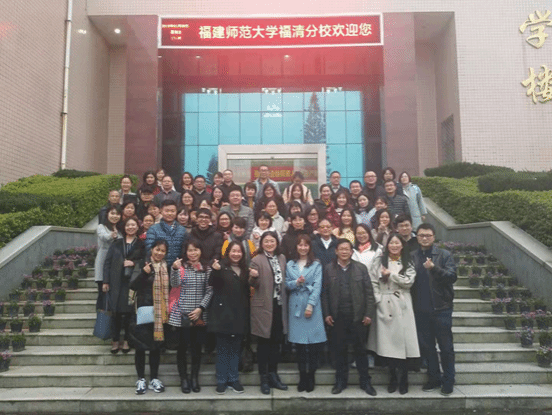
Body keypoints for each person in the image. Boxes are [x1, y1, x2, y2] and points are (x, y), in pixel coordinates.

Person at [322, 239, 377, 396]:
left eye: (347, 249)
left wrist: (368, 313)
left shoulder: (360, 268)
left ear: (352, 252)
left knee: (360, 351)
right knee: (340, 351)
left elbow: (369, 293)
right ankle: (340, 382)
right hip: (337, 317)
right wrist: (327, 313)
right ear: (336, 251)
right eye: (341, 249)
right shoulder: (328, 269)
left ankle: (365, 382)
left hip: (358, 317)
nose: (344, 251)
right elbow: (324, 294)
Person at [369, 234, 419, 395]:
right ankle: (392, 377)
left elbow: (408, 281)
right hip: (384, 303)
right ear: (387, 245)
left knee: (402, 343)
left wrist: (391, 275)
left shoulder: (407, 261)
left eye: (397, 243)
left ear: (402, 245)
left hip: (402, 303)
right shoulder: (379, 261)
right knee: (387, 343)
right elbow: (373, 281)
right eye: (391, 243)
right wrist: (378, 299)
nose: (394, 246)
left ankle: (403, 378)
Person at [411, 223, 457, 396]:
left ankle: (449, 380)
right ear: (417, 237)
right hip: (420, 309)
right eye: (421, 235)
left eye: (428, 235)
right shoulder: (413, 256)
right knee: (427, 347)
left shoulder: (444, 255)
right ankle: (434, 378)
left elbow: (452, 276)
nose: (424, 238)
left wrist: (434, 268)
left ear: (434, 237)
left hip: (441, 308)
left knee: (446, 347)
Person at [169, 240, 213, 394]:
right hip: (182, 314)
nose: (193, 253)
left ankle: (194, 378)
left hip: (199, 315)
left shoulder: (206, 268)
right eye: (190, 250)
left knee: (196, 348)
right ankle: (183, 379)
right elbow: (175, 284)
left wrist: (201, 308)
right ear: (185, 252)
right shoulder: (181, 267)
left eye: (195, 250)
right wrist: (174, 269)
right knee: (182, 349)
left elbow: (210, 291)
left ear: (201, 251)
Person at [285, 234, 326, 392]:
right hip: (296, 304)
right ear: (296, 247)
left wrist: (310, 305)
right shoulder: (290, 264)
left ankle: (311, 376)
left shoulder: (316, 264)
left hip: (311, 304)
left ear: (310, 247)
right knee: (300, 345)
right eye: (300, 245)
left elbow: (317, 286)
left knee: (314, 344)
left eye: (306, 245)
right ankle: (302, 376)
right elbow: (286, 284)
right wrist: (296, 282)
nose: (303, 248)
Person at [249, 231, 289, 395]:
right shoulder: (256, 259)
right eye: (266, 241)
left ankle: (273, 375)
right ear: (261, 243)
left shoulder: (282, 258)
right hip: (264, 306)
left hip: (279, 305)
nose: (269, 244)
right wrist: (254, 277)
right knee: (264, 343)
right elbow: (252, 284)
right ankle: (263, 378)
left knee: (276, 342)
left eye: (272, 241)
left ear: (277, 242)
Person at [209, 242, 250, 394]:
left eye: (239, 251)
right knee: (222, 349)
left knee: (235, 349)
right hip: (222, 314)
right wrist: (215, 271)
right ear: (228, 252)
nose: (236, 254)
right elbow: (212, 283)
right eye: (233, 251)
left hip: (239, 315)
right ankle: (221, 380)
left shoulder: (245, 270)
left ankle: (233, 379)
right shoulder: (220, 267)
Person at [130, 239, 170, 395]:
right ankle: (140, 378)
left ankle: (154, 378)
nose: (159, 253)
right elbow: (132, 285)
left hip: (160, 312)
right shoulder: (143, 264)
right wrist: (143, 273)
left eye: (163, 251)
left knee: (155, 347)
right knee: (140, 347)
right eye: (157, 249)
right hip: (144, 309)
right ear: (152, 249)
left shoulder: (167, 267)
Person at [103, 217, 145, 354]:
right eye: (128, 225)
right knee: (115, 313)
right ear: (124, 228)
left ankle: (127, 340)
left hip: (132, 283)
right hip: (116, 282)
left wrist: (134, 263)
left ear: (137, 227)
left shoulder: (141, 244)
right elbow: (107, 262)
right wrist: (105, 281)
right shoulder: (116, 243)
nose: (130, 227)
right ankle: (115, 340)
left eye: (133, 225)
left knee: (128, 313)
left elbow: (145, 261)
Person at [145, 200, 188, 269]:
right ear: (161, 211)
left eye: (172, 211)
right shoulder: (153, 229)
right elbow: (149, 249)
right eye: (167, 211)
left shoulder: (182, 230)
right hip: (158, 267)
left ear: (176, 212)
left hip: (177, 267)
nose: (170, 213)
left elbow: (184, 251)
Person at [94, 205, 122, 310]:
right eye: (112, 213)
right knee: (102, 293)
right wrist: (111, 235)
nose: (115, 216)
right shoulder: (102, 227)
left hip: (116, 264)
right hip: (103, 262)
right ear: (107, 215)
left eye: (117, 214)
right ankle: (101, 318)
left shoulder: (120, 229)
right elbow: (103, 237)